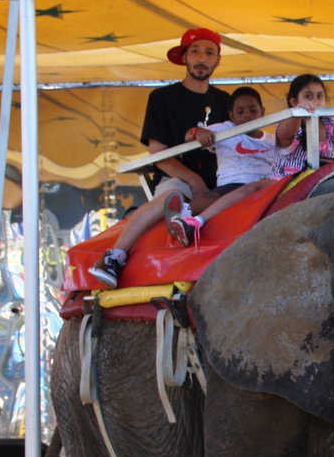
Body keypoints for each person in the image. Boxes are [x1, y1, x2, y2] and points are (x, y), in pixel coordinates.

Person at [88, 87, 275, 288]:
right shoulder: (170, 102)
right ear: (231, 114)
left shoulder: (271, 138)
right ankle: (116, 254)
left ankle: (184, 218)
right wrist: (198, 133)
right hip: (211, 184)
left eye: (252, 111)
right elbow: (174, 145)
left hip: (255, 187)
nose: (247, 115)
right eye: (241, 111)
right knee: (178, 197)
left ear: (262, 112)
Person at [89, 26, 230, 286]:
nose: (202, 58)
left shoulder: (225, 100)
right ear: (184, 57)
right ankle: (114, 256)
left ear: (218, 60)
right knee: (170, 196)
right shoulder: (162, 98)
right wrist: (192, 180)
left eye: (209, 53)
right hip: (177, 178)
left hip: (221, 180)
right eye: (195, 51)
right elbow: (158, 154)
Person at [167, 73, 334, 246]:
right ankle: (195, 221)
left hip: (317, 179)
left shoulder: (332, 126)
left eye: (319, 96)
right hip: (287, 179)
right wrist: (299, 114)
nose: (314, 101)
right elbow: (288, 131)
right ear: (294, 101)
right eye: (308, 96)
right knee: (253, 188)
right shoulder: (288, 123)